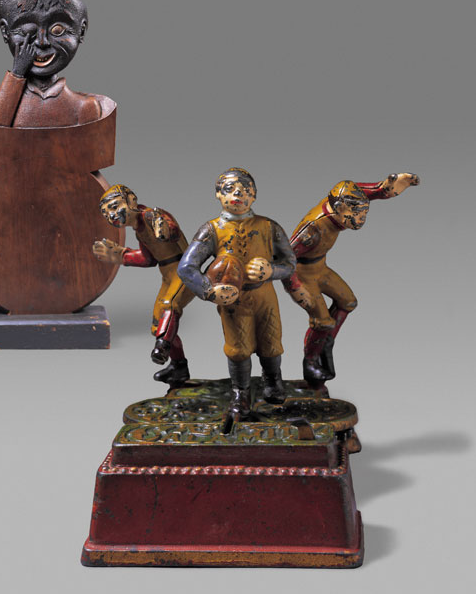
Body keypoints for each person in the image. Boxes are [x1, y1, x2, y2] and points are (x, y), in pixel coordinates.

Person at [178, 168, 296, 423]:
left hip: (265, 295)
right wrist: (209, 290)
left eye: (245, 190)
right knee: (238, 347)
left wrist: (271, 270)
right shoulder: (212, 230)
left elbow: (290, 263)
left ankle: (273, 382)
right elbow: (186, 267)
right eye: (229, 189)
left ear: (254, 196)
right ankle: (240, 393)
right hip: (234, 300)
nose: (238, 194)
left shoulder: (269, 227)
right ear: (218, 194)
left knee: (272, 341)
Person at [284, 173, 420, 384]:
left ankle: (326, 342)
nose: (361, 218)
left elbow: (373, 191)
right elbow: (285, 260)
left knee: (348, 302)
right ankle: (310, 363)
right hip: (303, 274)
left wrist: (389, 188)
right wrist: (296, 288)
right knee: (322, 321)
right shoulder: (312, 229)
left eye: (364, 212)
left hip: (320, 267)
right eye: (356, 213)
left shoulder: (344, 200)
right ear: (339, 208)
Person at [93, 185, 194, 386]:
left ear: (131, 200)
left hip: (184, 270)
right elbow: (149, 259)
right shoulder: (139, 231)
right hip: (168, 275)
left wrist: (164, 229)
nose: (112, 215)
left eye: (114, 206)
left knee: (170, 306)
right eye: (106, 214)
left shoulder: (152, 216)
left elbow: (172, 231)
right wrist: (122, 256)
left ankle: (162, 347)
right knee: (158, 325)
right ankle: (179, 367)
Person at [0, 0, 107, 127]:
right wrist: (17, 74)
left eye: (57, 30)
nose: (42, 42)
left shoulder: (83, 108)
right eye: (28, 31)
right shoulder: (7, 106)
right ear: (5, 32)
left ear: (80, 32)